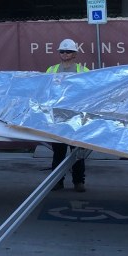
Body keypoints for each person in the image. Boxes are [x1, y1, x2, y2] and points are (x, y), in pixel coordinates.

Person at [46, 38, 90, 192]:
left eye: (68, 51)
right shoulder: (51, 70)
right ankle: (57, 181)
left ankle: (79, 181)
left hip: (76, 117)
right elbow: (46, 91)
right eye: (62, 51)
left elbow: (90, 92)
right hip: (58, 117)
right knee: (58, 152)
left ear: (74, 54)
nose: (65, 54)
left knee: (77, 152)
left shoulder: (83, 71)